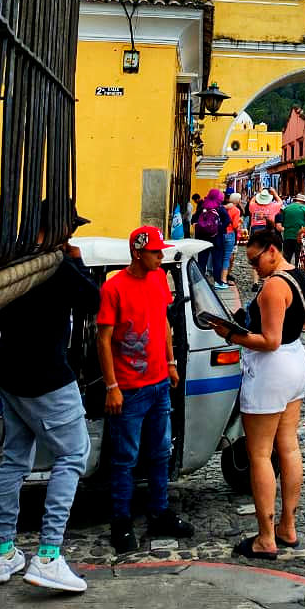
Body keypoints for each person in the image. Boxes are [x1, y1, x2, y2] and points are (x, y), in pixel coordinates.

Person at [0, 200, 98, 593]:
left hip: (10, 379)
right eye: (71, 229)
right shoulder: (55, 265)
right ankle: (48, 555)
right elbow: (93, 302)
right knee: (72, 454)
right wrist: (76, 262)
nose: (73, 235)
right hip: (48, 379)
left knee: (14, 460)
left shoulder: (11, 262)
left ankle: (5, 551)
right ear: (61, 228)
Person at [202, 226, 305, 558]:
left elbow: (269, 341)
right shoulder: (299, 277)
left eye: (256, 260)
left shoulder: (273, 287)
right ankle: (287, 527)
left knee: (260, 455)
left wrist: (230, 335)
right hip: (297, 363)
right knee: (289, 448)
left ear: (272, 250)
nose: (255, 268)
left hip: (271, 368)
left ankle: (265, 538)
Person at [96, 226, 194, 554]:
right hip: (130, 388)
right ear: (138, 253)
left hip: (158, 384)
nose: (161, 256)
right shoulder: (114, 288)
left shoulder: (157, 280)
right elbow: (104, 339)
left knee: (160, 452)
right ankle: (121, 521)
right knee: (124, 458)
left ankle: (159, 512)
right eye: (155, 251)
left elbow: (164, 324)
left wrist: (170, 363)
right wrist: (112, 386)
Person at [280, 193, 305, 267]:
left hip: (287, 236)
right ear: (302, 201)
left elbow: (282, 222)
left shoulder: (287, 208)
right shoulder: (304, 208)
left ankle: (286, 273)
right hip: (300, 237)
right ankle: (297, 273)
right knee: (299, 258)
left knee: (287, 257)